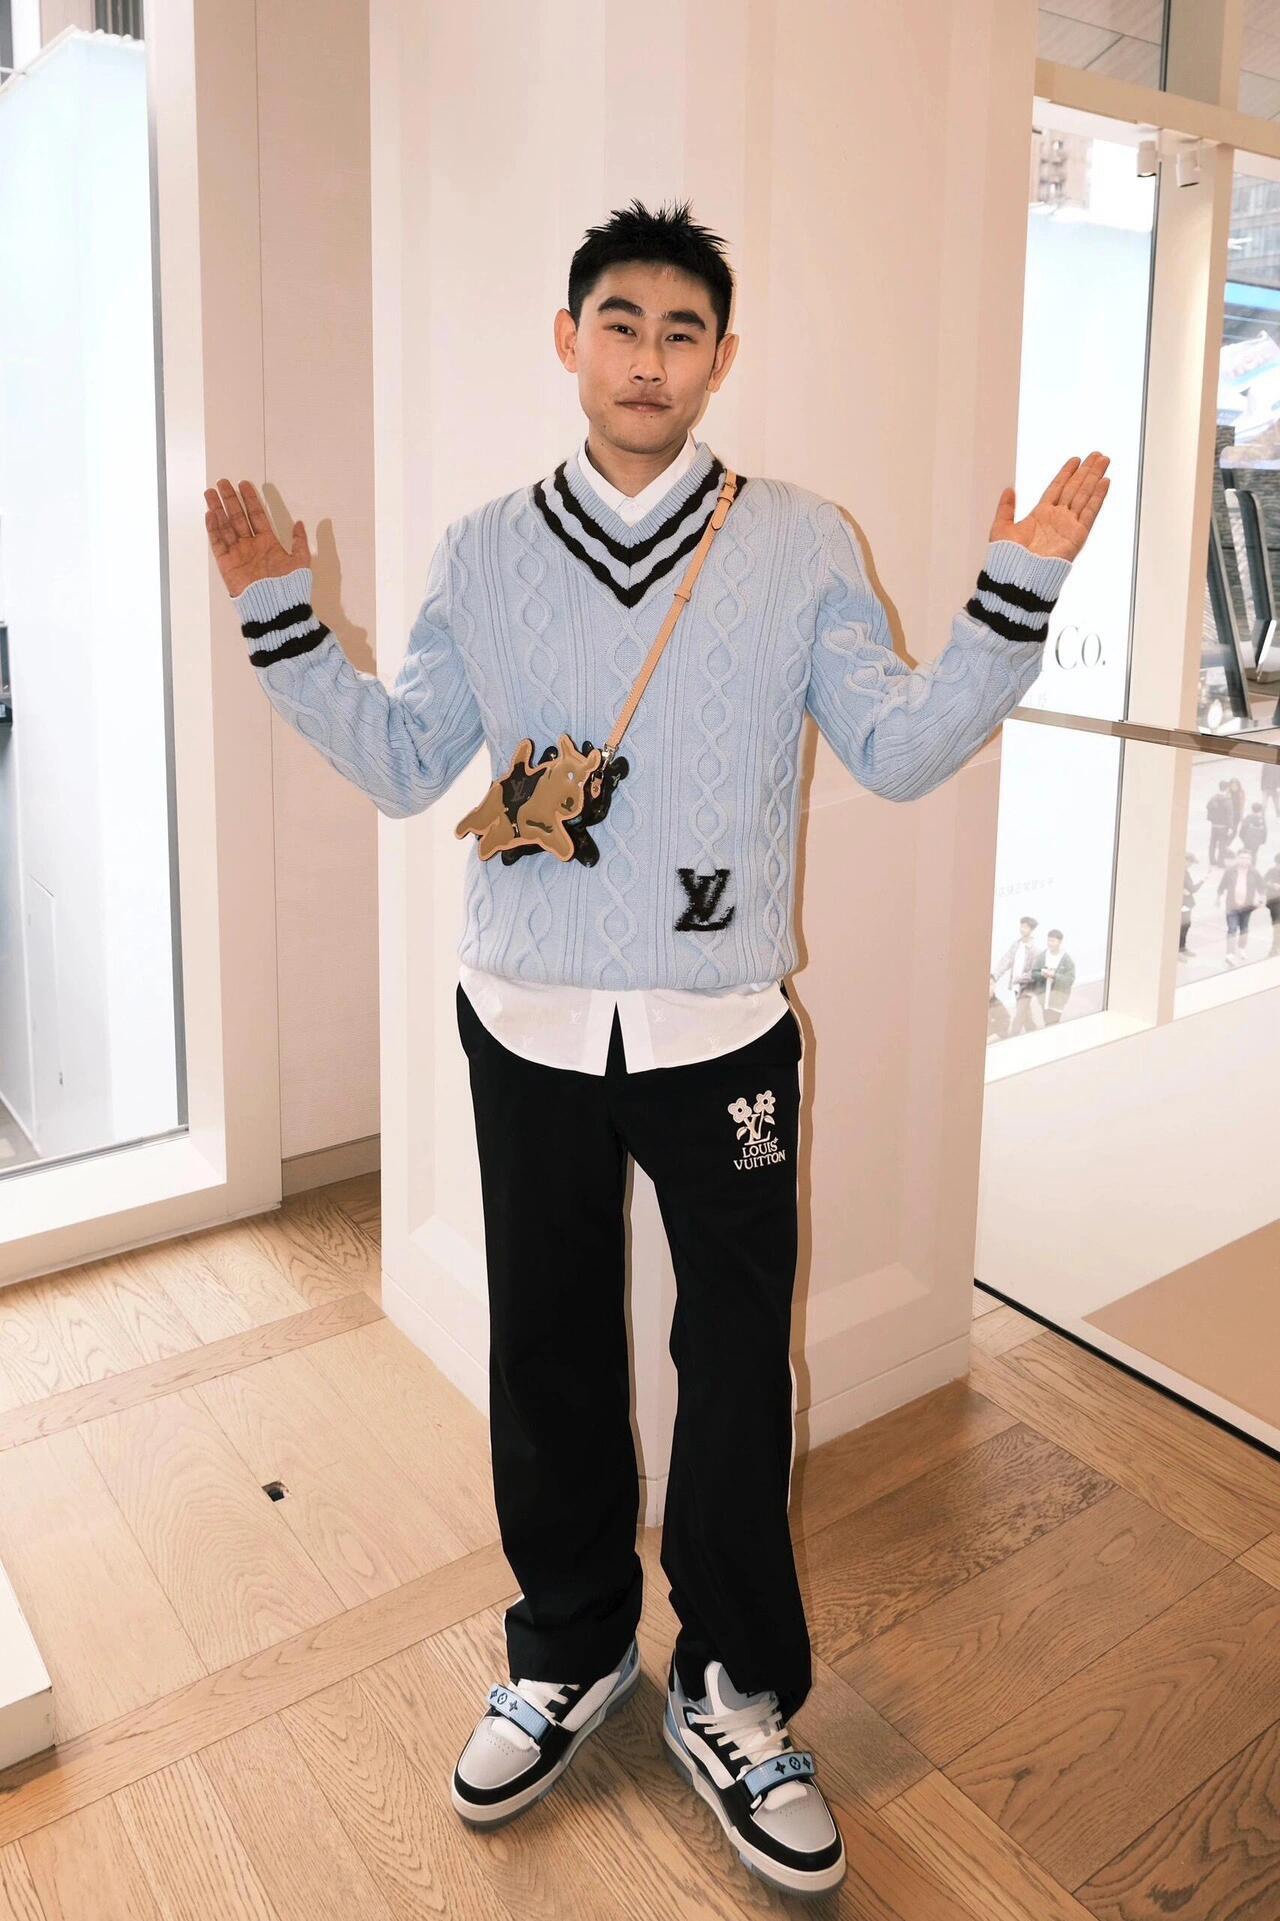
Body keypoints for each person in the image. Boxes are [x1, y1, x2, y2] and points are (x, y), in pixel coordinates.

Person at [203, 198, 1108, 1898]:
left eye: (682, 331)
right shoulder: (483, 549)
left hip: (724, 1032)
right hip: (525, 1017)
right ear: (569, 341)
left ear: (721, 359)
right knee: (547, 1345)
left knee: (739, 1366)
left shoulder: (801, 542)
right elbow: (406, 763)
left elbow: (899, 749)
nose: (647, 357)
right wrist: (283, 627)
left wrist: (1016, 592)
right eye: (619, 323)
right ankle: (568, 1648)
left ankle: (736, 1686)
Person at [991, 915, 1045, 1034]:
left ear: (1031, 929)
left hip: (1027, 987)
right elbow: (1006, 961)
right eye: (1021, 926)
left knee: (1020, 1014)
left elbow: (1035, 972)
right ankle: (1033, 1032)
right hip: (1017, 987)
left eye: (1025, 927)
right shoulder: (1016, 945)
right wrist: (995, 976)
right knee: (1026, 1015)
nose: (1022, 929)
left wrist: (1020, 979)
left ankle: (1012, 1036)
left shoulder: (1035, 950)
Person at [1217, 848, 1265, 963]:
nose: (1244, 860)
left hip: (1247, 906)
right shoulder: (1230, 871)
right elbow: (1221, 887)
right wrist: (1219, 898)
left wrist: (1261, 899)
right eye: (1242, 858)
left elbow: (1261, 887)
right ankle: (1230, 954)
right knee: (1232, 929)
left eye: (1247, 858)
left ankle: (1241, 948)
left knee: (1244, 928)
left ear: (1250, 859)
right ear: (1237, 858)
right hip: (1231, 905)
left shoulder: (1254, 872)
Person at [1033, 927, 1075, 1022]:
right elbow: (1033, 974)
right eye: (1048, 940)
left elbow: (1070, 980)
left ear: (1060, 942)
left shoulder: (1066, 959)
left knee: (1053, 1023)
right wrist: (1042, 974)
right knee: (1047, 1022)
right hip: (1044, 998)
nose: (1050, 943)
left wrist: (1054, 976)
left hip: (1058, 1000)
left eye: (1053, 941)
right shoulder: (1042, 956)